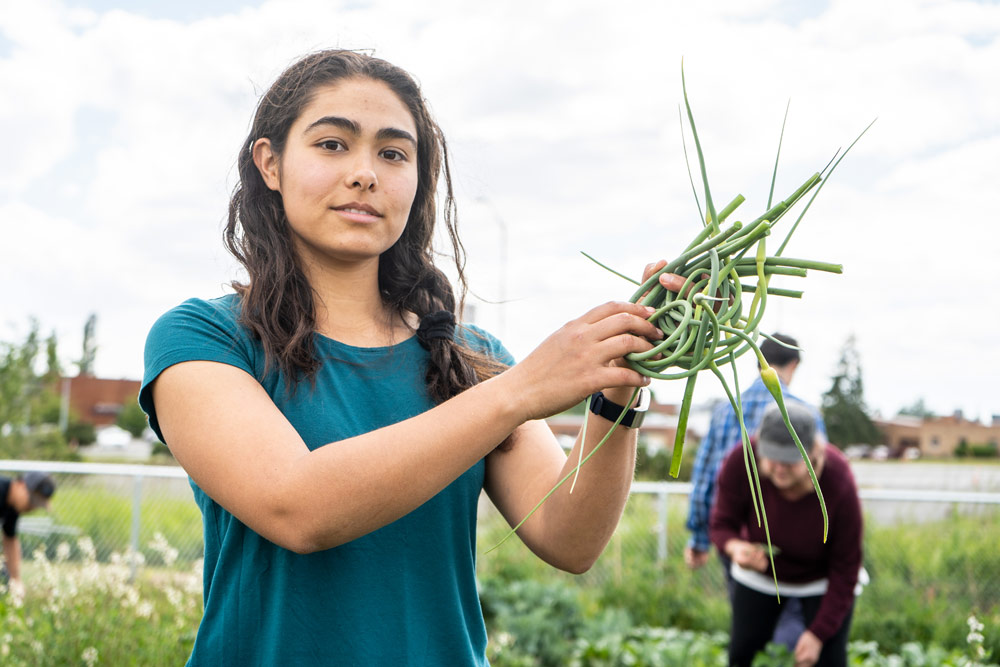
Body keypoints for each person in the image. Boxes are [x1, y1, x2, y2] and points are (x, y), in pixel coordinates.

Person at [139, 49, 686, 665]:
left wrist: (620, 388)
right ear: (270, 163)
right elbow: (297, 507)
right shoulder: (203, 339)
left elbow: (569, 538)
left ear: (418, 181)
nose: (365, 173)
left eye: (394, 154)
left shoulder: (469, 359)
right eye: (332, 145)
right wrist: (518, 393)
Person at [684, 333, 827, 645]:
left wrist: (699, 537)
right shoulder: (806, 415)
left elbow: (706, 477)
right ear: (795, 364)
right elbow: (821, 484)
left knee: (747, 620)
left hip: (735, 536)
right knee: (790, 618)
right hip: (789, 536)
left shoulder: (725, 410)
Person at [710, 402, 863, 667]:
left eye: (790, 460)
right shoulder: (741, 460)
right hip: (760, 574)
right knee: (743, 654)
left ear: (812, 454)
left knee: (829, 659)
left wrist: (817, 635)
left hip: (822, 579)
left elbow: (846, 567)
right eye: (772, 457)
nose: (779, 468)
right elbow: (721, 524)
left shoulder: (838, 480)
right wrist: (736, 548)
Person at [1, 471, 57, 593]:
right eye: (31, 501)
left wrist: (16, 579)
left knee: (4, 579)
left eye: (37, 505)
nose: (32, 508)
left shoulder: (11, 507)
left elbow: (10, 540)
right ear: (21, 485)